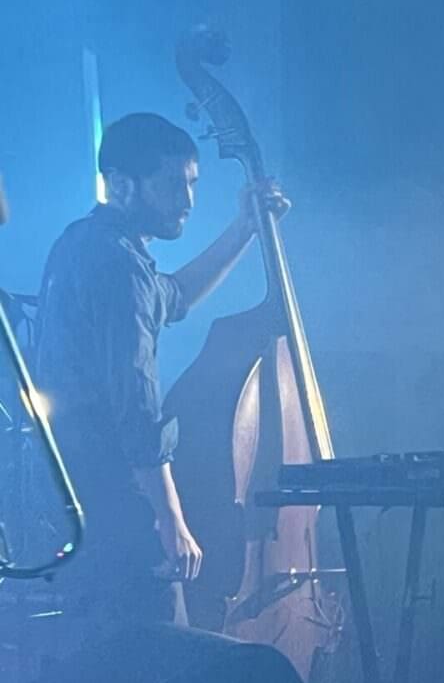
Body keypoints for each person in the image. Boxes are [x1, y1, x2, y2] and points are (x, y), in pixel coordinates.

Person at [33, 113, 286, 634]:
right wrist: (171, 522)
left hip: (76, 502)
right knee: (162, 658)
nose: (187, 201)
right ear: (121, 185)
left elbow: (174, 295)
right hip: (119, 506)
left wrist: (246, 227)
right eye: (172, 185)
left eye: (191, 184)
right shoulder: (118, 267)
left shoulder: (83, 243)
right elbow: (138, 408)